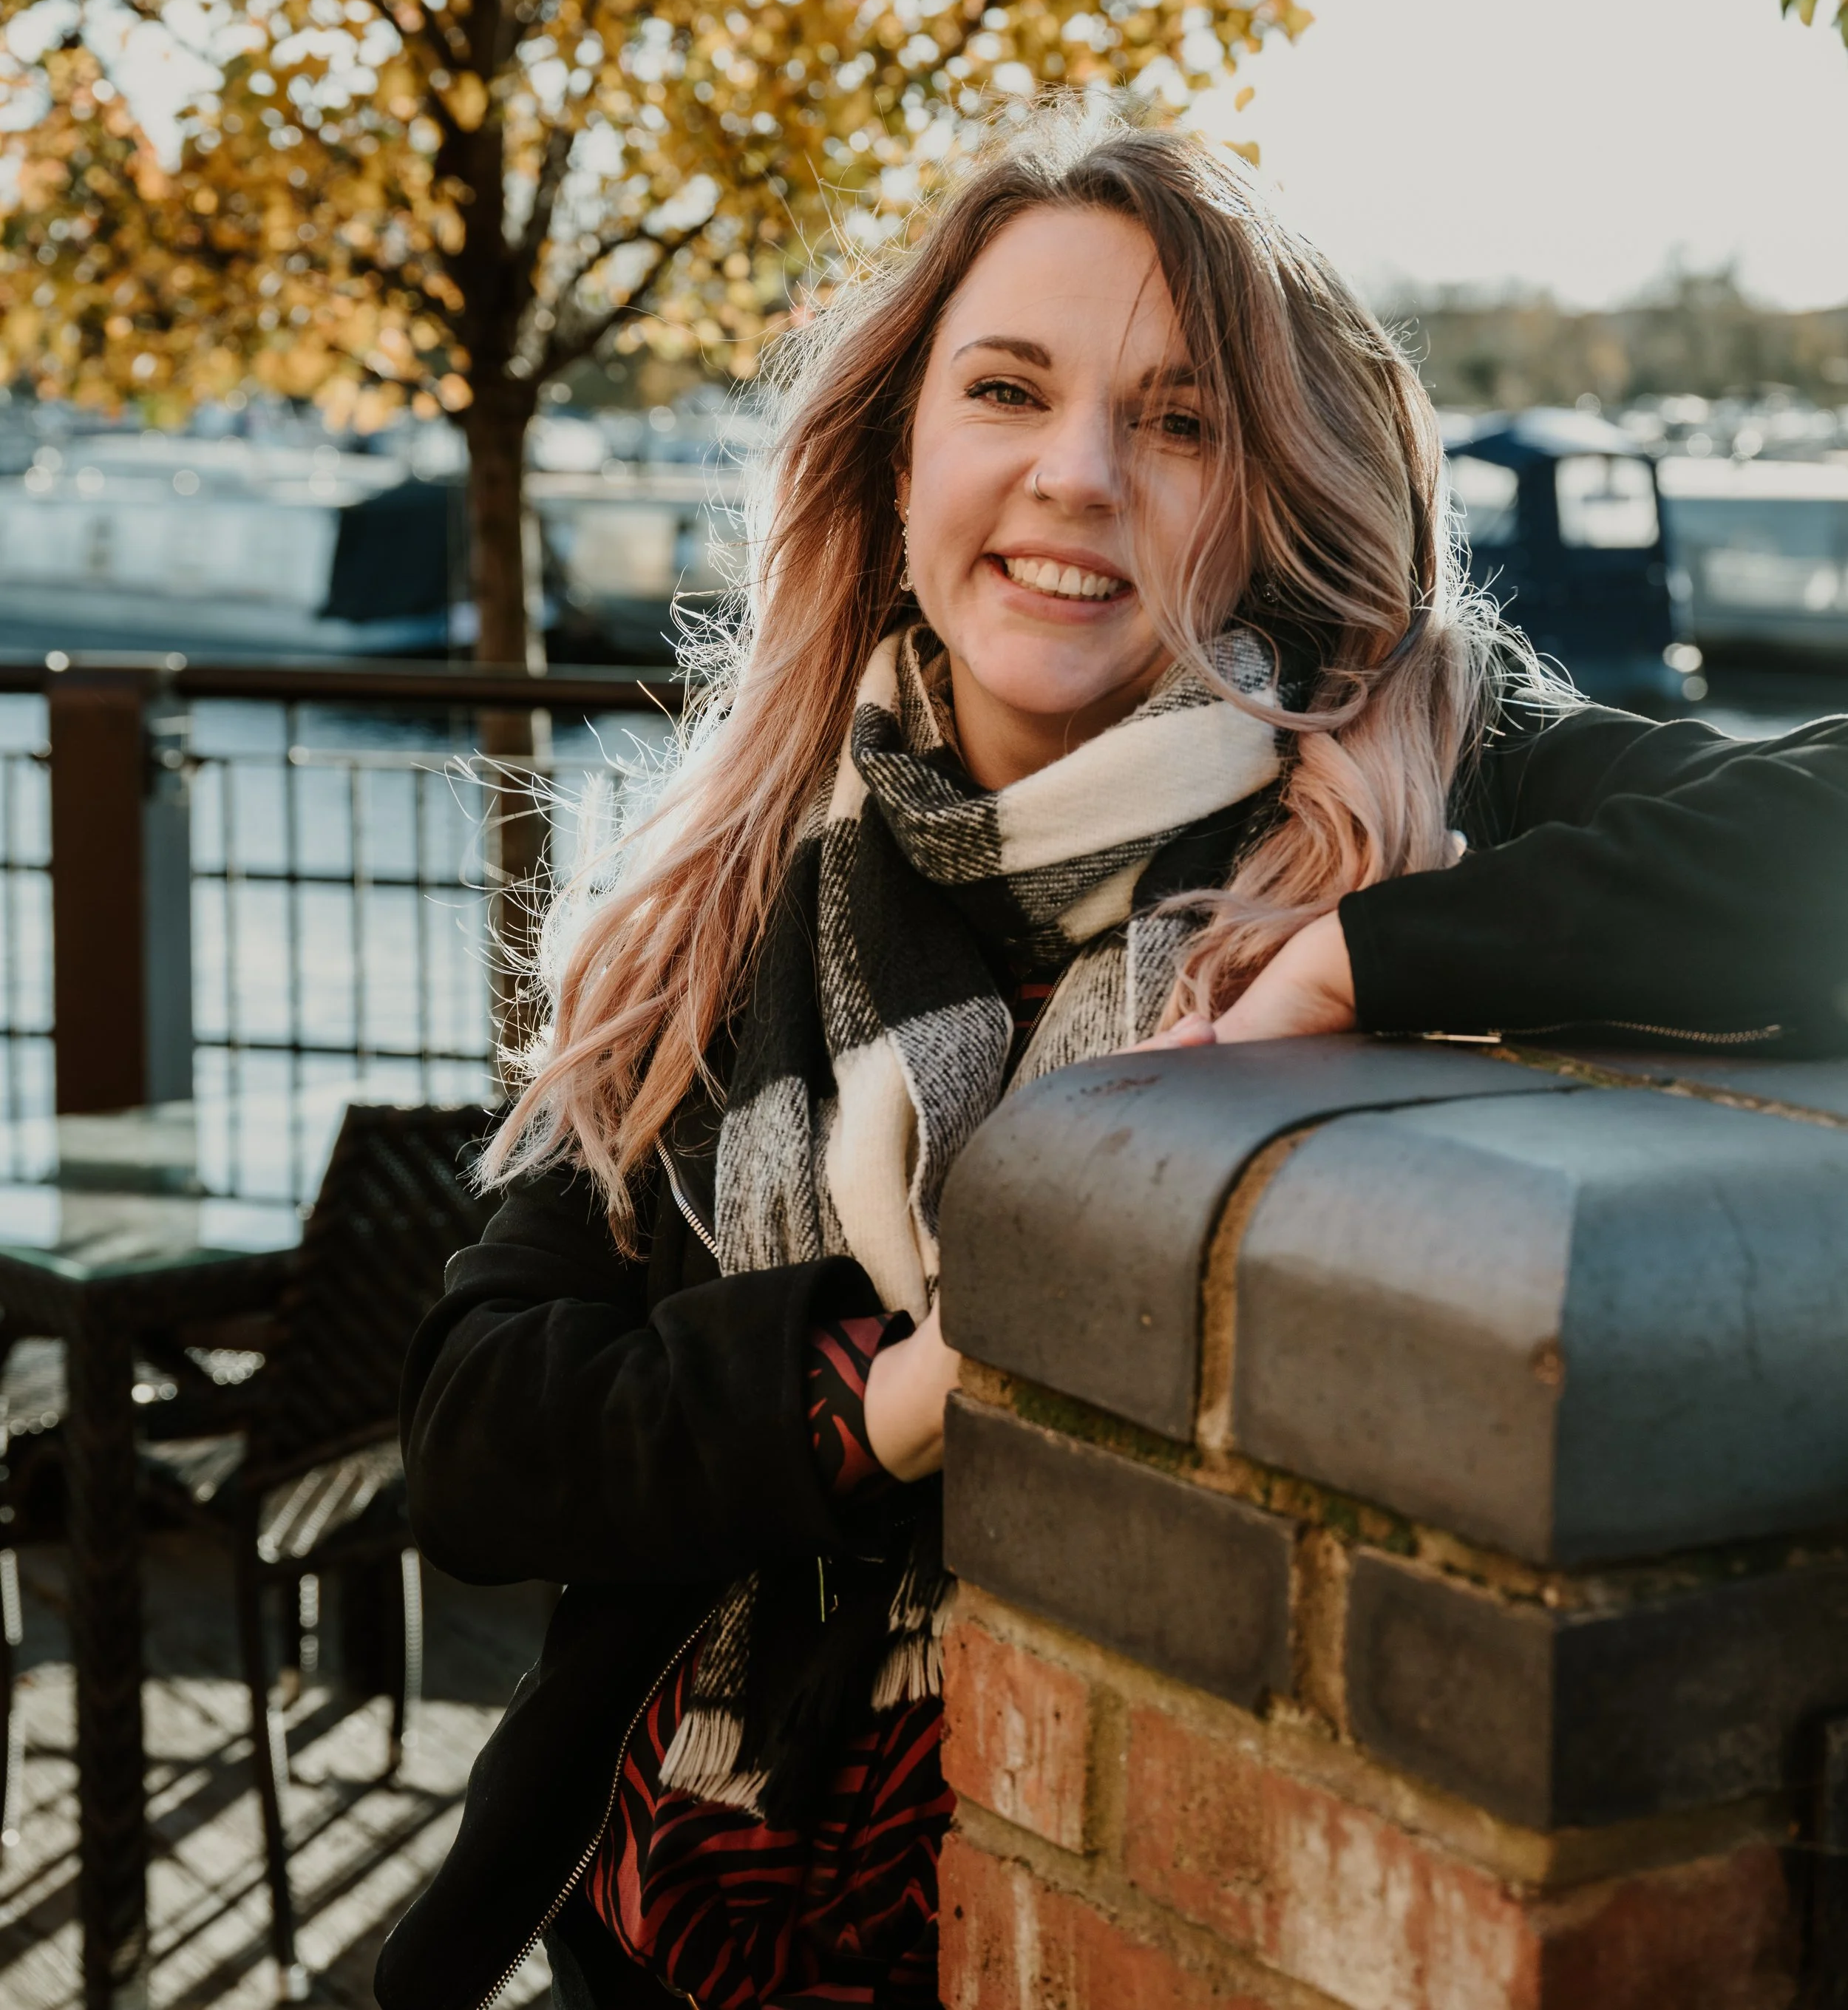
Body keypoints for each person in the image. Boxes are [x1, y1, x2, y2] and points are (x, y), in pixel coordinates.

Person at [376, 102, 1848, 2010]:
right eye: (1008, 389)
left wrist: (1354, 951)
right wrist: (900, 1392)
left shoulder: (1419, 782)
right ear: (898, 451)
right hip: (663, 1934)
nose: (1078, 474)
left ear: (1272, 490)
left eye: (1179, 421)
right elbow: (480, 1432)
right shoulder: (727, 901)